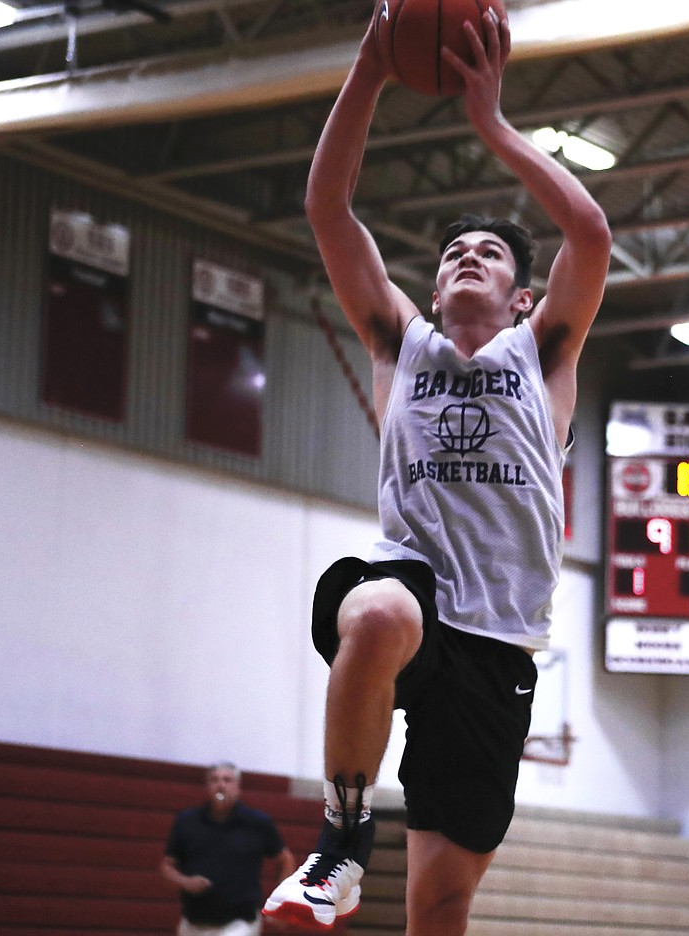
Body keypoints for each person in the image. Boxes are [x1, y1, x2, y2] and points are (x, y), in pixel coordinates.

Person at [262, 7, 610, 936]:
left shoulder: (545, 358)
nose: (467, 257)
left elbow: (590, 234)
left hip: (497, 641)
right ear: (431, 287)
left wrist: (494, 126)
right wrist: (371, 70)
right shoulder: (399, 346)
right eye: (454, 251)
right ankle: (339, 842)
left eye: (489, 253)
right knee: (376, 611)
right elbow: (329, 209)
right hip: (411, 587)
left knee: (441, 903)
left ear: (521, 297)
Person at [162, 761, 296, 936]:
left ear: (238, 787)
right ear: (207, 786)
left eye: (227, 780)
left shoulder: (257, 823)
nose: (220, 785)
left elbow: (285, 859)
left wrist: (282, 901)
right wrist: (185, 882)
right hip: (193, 922)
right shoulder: (187, 821)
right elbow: (167, 866)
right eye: (214, 780)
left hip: (240, 923)